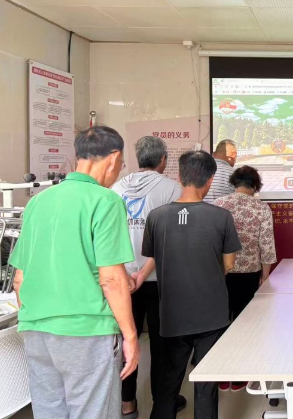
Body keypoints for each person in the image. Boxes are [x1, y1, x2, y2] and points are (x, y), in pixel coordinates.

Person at [9, 126, 140, 419]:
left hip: (37, 331)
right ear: (113, 158)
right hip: (87, 332)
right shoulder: (105, 200)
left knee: (49, 412)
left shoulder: (37, 201)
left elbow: (19, 279)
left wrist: (41, 315)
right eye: (121, 164)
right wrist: (131, 337)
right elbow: (111, 279)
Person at [144, 150, 242, 419]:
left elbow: (154, 258)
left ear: (179, 176)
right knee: (206, 383)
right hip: (211, 313)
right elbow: (229, 264)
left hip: (172, 312)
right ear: (210, 179)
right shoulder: (221, 217)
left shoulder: (156, 217)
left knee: (168, 380)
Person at [111, 136, 185, 418]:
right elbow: (171, 239)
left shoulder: (117, 188)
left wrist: (127, 273)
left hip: (122, 280)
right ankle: (161, 403)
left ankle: (127, 403)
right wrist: (144, 272)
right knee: (161, 344)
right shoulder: (172, 189)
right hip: (158, 280)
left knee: (126, 339)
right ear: (163, 160)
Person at [214, 165, 277, 393]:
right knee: (245, 324)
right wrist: (265, 275)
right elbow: (266, 244)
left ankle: (221, 376)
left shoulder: (218, 204)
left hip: (220, 273)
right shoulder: (260, 208)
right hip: (249, 274)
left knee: (220, 323)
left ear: (234, 182)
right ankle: (241, 375)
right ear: (255, 185)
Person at [204, 139, 237, 204]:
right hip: (224, 210)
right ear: (234, 155)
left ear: (213, 154)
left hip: (201, 210)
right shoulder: (235, 174)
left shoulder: (201, 170)